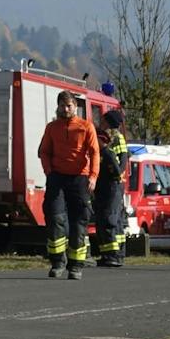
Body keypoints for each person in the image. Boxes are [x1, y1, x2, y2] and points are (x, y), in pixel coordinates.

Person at [38, 89, 100, 279]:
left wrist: (93, 176)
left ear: (75, 107)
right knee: (55, 219)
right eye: (63, 105)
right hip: (57, 178)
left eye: (69, 105)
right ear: (58, 106)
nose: (66, 109)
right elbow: (44, 151)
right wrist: (48, 171)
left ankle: (75, 266)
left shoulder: (86, 127)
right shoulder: (51, 127)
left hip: (80, 179)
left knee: (78, 222)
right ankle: (57, 263)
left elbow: (95, 152)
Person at [93, 108, 130, 267]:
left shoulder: (116, 138)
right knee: (111, 218)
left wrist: (116, 174)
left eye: (103, 120)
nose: (100, 122)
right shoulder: (106, 136)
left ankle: (113, 255)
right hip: (107, 183)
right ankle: (113, 254)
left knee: (109, 218)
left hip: (112, 184)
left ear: (109, 122)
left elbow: (122, 160)